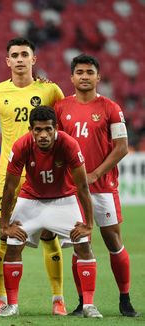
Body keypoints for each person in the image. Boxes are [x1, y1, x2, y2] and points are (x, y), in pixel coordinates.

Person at [0, 37, 66, 315]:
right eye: (14, 54)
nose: (19, 59)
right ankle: (3, 298)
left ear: (33, 59)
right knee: (7, 236)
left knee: (50, 234)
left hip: (44, 175)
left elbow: (65, 127)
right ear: (7, 61)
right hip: (8, 176)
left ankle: (58, 299)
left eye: (24, 54)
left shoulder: (50, 90)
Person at [55, 54, 139, 317]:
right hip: (72, 189)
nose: (84, 76)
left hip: (103, 187)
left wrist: (94, 174)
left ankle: (125, 299)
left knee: (113, 240)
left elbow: (122, 147)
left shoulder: (111, 108)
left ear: (98, 77)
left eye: (89, 72)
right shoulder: (60, 107)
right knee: (79, 242)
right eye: (79, 72)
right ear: (71, 77)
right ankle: (82, 302)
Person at [0, 106, 102, 318]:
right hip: (30, 200)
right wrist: (4, 224)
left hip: (64, 200)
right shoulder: (21, 146)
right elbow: (10, 187)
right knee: (12, 247)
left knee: (83, 245)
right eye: (38, 130)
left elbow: (82, 186)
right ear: (31, 130)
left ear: (56, 128)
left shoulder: (69, 144)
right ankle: (12, 305)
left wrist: (89, 223)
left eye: (48, 129)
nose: (43, 135)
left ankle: (89, 305)